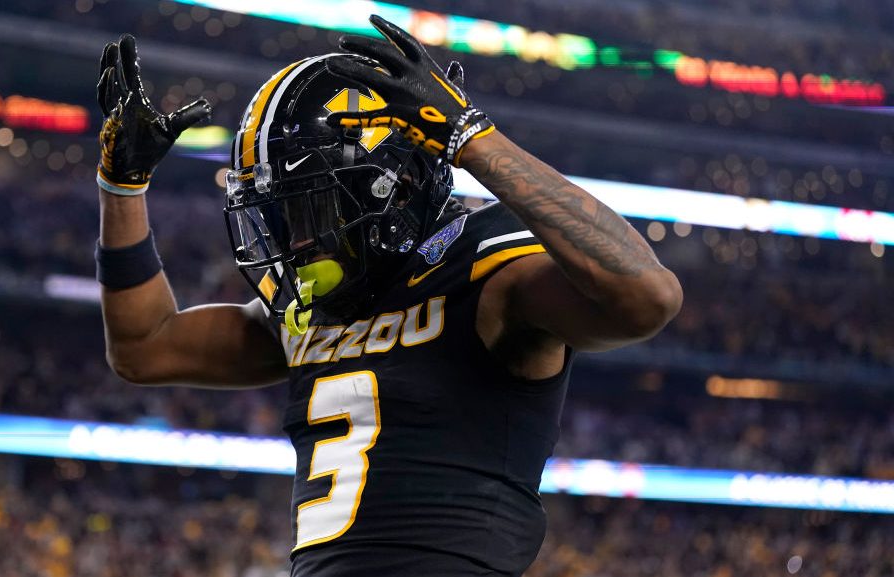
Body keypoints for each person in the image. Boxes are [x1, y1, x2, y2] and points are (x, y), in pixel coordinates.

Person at [94, 16, 682, 577]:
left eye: (312, 208)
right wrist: (121, 189)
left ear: (394, 184)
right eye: (281, 216)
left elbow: (647, 297)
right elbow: (145, 348)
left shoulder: (487, 271)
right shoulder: (313, 310)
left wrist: (472, 140)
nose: (296, 240)